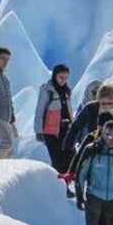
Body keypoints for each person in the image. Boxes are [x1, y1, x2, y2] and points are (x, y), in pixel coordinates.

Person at [63, 83, 113, 161]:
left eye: (110, 103)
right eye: (103, 104)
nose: (106, 106)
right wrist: (68, 146)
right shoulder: (90, 108)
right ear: (98, 100)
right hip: (96, 150)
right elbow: (76, 126)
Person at [35, 64, 76, 195]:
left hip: (66, 129)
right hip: (51, 131)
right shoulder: (47, 90)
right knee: (58, 160)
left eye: (65, 78)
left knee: (70, 158)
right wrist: (38, 130)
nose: (63, 80)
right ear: (55, 76)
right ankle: (61, 189)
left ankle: (61, 185)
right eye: (61, 77)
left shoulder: (66, 92)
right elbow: (40, 110)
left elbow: (69, 111)